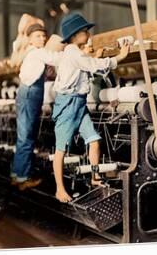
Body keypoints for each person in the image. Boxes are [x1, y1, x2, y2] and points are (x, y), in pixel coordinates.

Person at [52, 13, 130, 202]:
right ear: (74, 35)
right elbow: (91, 64)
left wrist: (95, 56)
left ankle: (95, 176)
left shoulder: (75, 53)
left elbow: (86, 64)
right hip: (68, 104)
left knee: (94, 140)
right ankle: (59, 189)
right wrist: (119, 57)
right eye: (85, 31)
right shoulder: (72, 52)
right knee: (61, 149)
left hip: (79, 103)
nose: (88, 34)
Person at [11, 23, 64, 190]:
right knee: (27, 137)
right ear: (30, 39)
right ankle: (23, 179)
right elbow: (57, 58)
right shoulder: (37, 52)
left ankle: (17, 175)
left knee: (23, 137)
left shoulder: (30, 53)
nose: (42, 39)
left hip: (26, 93)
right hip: (30, 94)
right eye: (37, 36)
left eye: (43, 36)